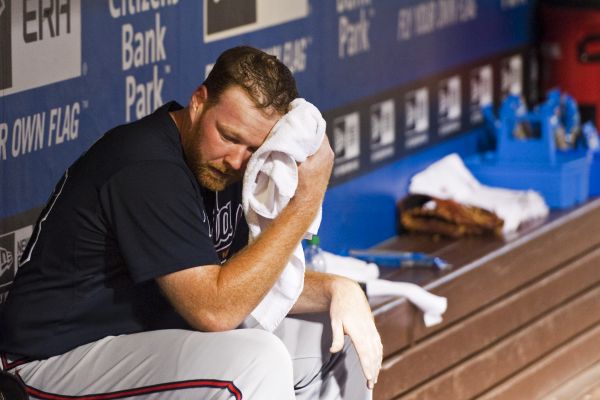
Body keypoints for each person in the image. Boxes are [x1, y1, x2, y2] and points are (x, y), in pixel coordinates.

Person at [0, 46, 382, 399]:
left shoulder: (233, 170)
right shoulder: (145, 166)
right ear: (198, 103)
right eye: (229, 136)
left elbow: (243, 284)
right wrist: (304, 203)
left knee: (336, 334)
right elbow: (215, 310)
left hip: (145, 340)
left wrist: (337, 288)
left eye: (254, 148)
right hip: (51, 362)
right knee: (255, 359)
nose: (237, 159)